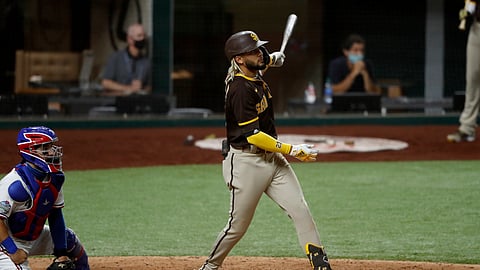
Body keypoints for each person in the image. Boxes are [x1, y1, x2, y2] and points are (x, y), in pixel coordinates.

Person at [198, 31, 332, 270]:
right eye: (253, 50)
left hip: (273, 160)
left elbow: (266, 61)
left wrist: (274, 58)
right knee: (237, 226)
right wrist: (292, 149)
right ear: (239, 59)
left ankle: (321, 265)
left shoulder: (252, 68)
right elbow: (254, 135)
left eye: (259, 48)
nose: (259, 53)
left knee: (300, 210)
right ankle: (210, 266)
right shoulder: (240, 89)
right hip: (246, 162)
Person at [0, 126, 89, 270]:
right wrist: (13, 251)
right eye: (46, 148)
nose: (53, 151)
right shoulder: (14, 184)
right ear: (30, 151)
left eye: (52, 146)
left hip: (33, 237)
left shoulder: (54, 179)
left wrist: (61, 253)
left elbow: (56, 216)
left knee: (70, 240)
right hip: (5, 241)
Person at [447, 3, 480, 142]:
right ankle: (467, 128)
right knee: (472, 80)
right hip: (477, 28)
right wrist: (468, 11)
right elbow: (472, 3)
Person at [101, 23, 151, 96]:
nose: (142, 39)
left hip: (138, 101)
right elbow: (106, 83)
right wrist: (127, 88)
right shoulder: (116, 58)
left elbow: (149, 86)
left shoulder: (146, 62)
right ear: (130, 39)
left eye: (144, 35)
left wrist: (141, 88)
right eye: (139, 36)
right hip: (117, 101)